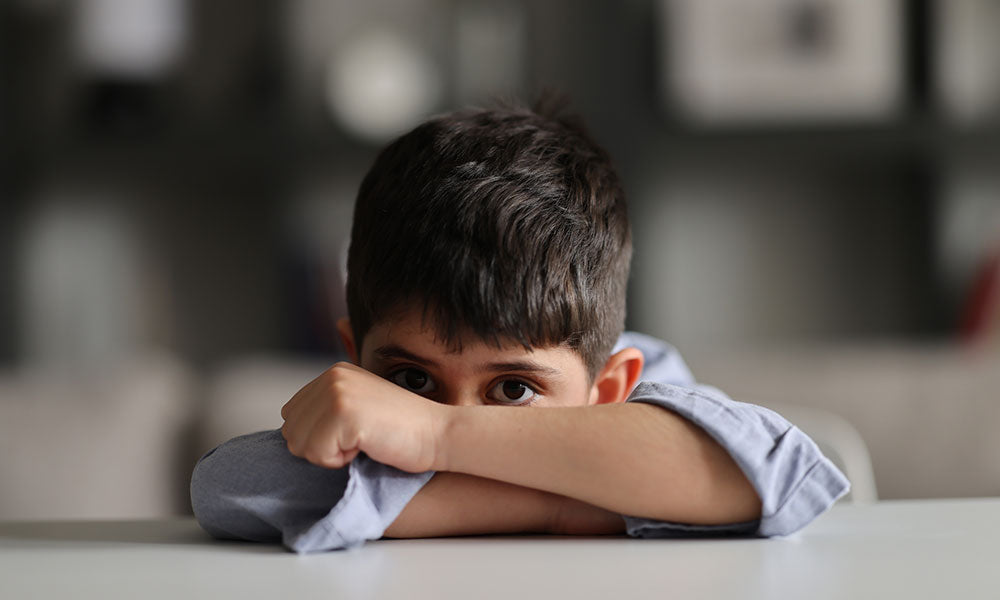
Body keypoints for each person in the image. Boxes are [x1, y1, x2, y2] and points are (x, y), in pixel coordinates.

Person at [190, 99, 849, 553]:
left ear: (610, 388)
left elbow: (772, 476)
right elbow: (228, 487)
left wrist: (438, 437)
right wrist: (562, 503)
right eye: (413, 380)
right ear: (354, 359)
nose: (449, 416)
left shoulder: (649, 395)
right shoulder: (359, 412)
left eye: (512, 390)